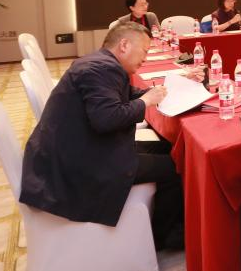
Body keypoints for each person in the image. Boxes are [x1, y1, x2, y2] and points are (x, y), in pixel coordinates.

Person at [19, 22, 189, 249]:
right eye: (144, 51)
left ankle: (163, 224)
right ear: (124, 45)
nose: (145, 58)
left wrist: (158, 92)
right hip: (79, 166)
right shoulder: (101, 69)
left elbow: (121, 95)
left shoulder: (99, 62)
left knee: (166, 146)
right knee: (175, 167)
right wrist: (145, 101)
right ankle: (163, 238)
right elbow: (106, 119)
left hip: (78, 148)